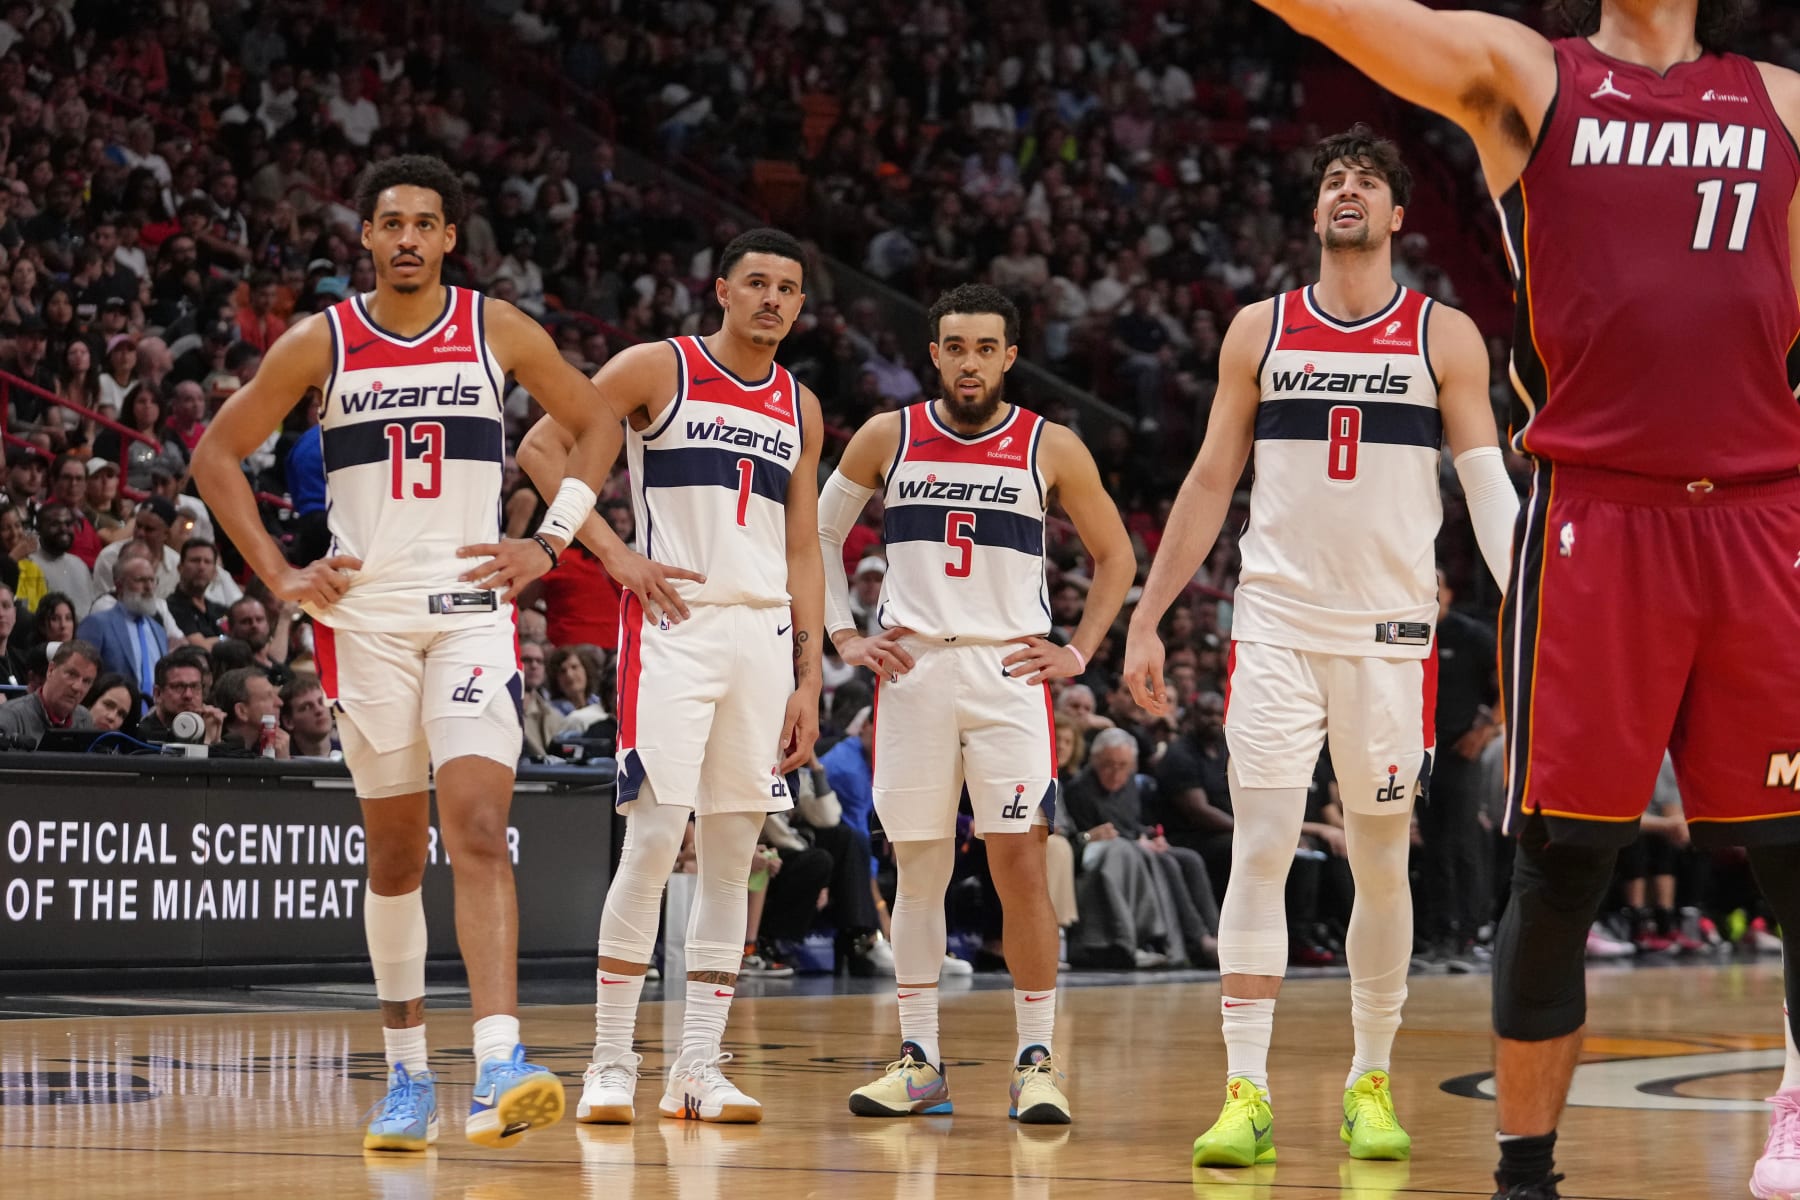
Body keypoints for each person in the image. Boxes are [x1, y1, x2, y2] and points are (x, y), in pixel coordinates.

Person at [1246, 2, 1800, 1197]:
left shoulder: (1782, 100)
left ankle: (1797, 1115)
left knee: (1797, 853)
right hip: (1598, 511)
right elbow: (1365, 21)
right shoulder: (1528, 74)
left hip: (1765, 509)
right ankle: (1525, 1177)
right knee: (1563, 860)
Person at [191, 154, 623, 1155]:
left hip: (471, 611)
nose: (407, 240)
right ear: (367, 238)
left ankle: (502, 1060)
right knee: (393, 856)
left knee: (476, 827)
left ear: (449, 239)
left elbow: (597, 420)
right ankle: (407, 1077)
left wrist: (550, 541)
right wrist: (281, 576)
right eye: (391, 223)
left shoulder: (494, 327)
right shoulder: (322, 341)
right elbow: (217, 453)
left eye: (425, 224)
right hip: (367, 619)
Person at [1121, 127, 1517, 1169]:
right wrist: (1150, 614)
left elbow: (1485, 482)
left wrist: (1530, 602)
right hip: (1279, 626)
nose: (1348, 191)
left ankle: (1367, 1080)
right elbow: (1210, 482)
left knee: (1382, 862)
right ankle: (1243, 1091)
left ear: (1397, 218)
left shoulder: (1445, 336)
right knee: (1259, 847)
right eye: (1333, 180)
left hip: (1390, 637)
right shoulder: (1260, 329)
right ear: (1315, 214)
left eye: (1368, 182)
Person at [515, 227, 825, 1127]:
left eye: (789, 288)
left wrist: (809, 676)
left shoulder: (800, 407)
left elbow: (804, 544)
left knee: (734, 859)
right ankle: (610, 1061)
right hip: (674, 630)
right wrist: (613, 554)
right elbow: (542, 446)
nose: (773, 299)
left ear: (801, 305)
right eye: (757, 283)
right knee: (654, 843)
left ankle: (696, 1067)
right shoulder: (659, 367)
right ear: (721, 290)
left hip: (763, 637)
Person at [820, 283, 1135, 1125]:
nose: (969, 362)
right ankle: (920, 1061)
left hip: (1007, 676)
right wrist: (844, 637)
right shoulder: (890, 436)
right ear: (934, 354)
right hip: (913, 673)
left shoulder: (1050, 445)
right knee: (919, 871)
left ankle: (1037, 1058)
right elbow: (815, 531)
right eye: (954, 347)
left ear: (1009, 355)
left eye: (984, 347)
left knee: (1020, 866)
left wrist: (1079, 650)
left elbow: (1116, 556)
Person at [76, 554, 169, 705]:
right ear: (119, 586)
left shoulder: (159, 630)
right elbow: (82, 676)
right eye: (140, 580)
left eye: (152, 580)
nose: (149, 587)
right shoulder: (97, 624)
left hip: (152, 721)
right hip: (112, 719)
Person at [0, 638, 99, 745]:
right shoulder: (10, 717)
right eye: (72, 674)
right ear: (51, 670)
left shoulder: (84, 719)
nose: (77, 687)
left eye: (86, 681)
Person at [137, 645, 222, 745]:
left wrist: (217, 741)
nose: (188, 695)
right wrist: (207, 742)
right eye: (179, 687)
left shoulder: (210, 724)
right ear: (158, 693)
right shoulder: (140, 737)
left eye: (195, 686)